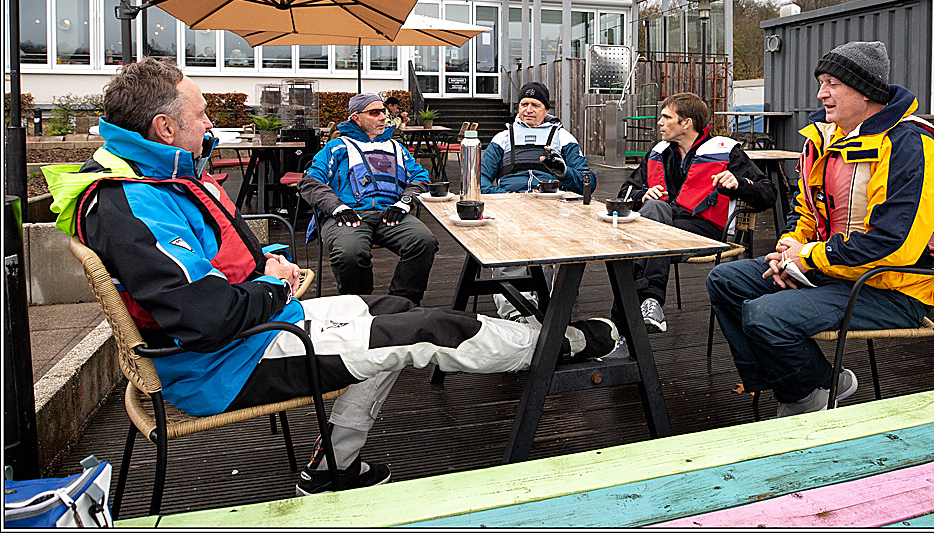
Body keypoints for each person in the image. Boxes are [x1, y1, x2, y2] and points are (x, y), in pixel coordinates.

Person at [45, 57, 619, 497]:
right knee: (423, 332)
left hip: (256, 331)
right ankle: (558, 344)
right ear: (166, 127)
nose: (211, 123)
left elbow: (202, 271)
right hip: (225, 363)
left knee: (391, 311)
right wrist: (275, 285)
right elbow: (204, 314)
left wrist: (266, 261)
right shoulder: (134, 202)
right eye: (201, 115)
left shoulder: (146, 176)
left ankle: (335, 467)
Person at [706, 41, 934, 418]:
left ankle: (803, 395)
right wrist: (788, 247)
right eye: (822, 82)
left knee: (764, 315)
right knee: (724, 279)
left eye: (833, 83)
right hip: (832, 272)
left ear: (866, 90)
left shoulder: (911, 144)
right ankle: (811, 383)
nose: (821, 93)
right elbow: (805, 208)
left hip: (890, 287)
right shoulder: (828, 139)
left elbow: (894, 244)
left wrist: (807, 259)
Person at [617, 92, 775, 335]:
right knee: (654, 212)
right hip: (662, 229)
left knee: (633, 242)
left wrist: (739, 183)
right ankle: (649, 303)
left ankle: (620, 325)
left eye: (666, 117)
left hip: (706, 231)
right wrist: (642, 196)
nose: (659, 123)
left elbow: (767, 194)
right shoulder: (658, 152)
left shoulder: (725, 151)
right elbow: (626, 191)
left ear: (686, 123)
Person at [297, 93, 435, 304]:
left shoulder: (396, 148)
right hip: (346, 216)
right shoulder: (337, 147)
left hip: (391, 214)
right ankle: (360, 307)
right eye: (375, 113)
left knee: (424, 241)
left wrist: (404, 202)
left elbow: (420, 177)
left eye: (384, 112)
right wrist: (337, 208)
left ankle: (402, 304)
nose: (383, 117)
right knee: (350, 253)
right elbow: (310, 182)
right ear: (356, 117)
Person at [480, 81, 597, 322]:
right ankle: (515, 311)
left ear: (546, 110)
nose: (528, 109)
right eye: (524, 104)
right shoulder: (503, 137)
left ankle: (546, 304)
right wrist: (503, 196)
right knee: (506, 248)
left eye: (535, 104)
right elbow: (478, 178)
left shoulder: (563, 138)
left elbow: (588, 182)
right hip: (510, 204)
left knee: (550, 246)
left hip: (551, 205)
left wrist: (563, 172)